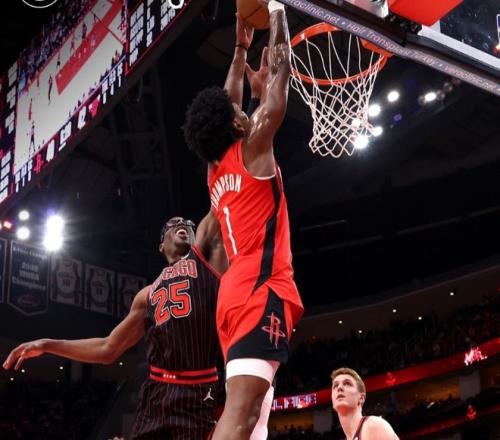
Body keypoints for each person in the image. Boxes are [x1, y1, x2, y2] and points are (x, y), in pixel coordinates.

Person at [183, 2, 304, 439]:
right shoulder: (252, 145)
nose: (242, 109)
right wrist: (276, 10)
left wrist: (239, 48)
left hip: (234, 293)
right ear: (233, 124)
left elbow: (230, 97)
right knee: (242, 415)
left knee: (256, 419)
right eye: (237, 112)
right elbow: (282, 72)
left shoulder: (216, 169)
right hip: (259, 285)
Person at [3, 215, 227, 439]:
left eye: (189, 225)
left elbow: (220, 206)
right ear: (161, 245)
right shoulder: (146, 295)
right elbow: (107, 348)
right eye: (173, 224)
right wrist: (47, 344)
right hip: (156, 393)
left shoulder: (209, 266)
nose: (182, 225)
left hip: (197, 392)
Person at [331, 368, 399, 440]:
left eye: (347, 383)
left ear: (361, 398)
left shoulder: (373, 425)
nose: (339, 387)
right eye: (335, 385)